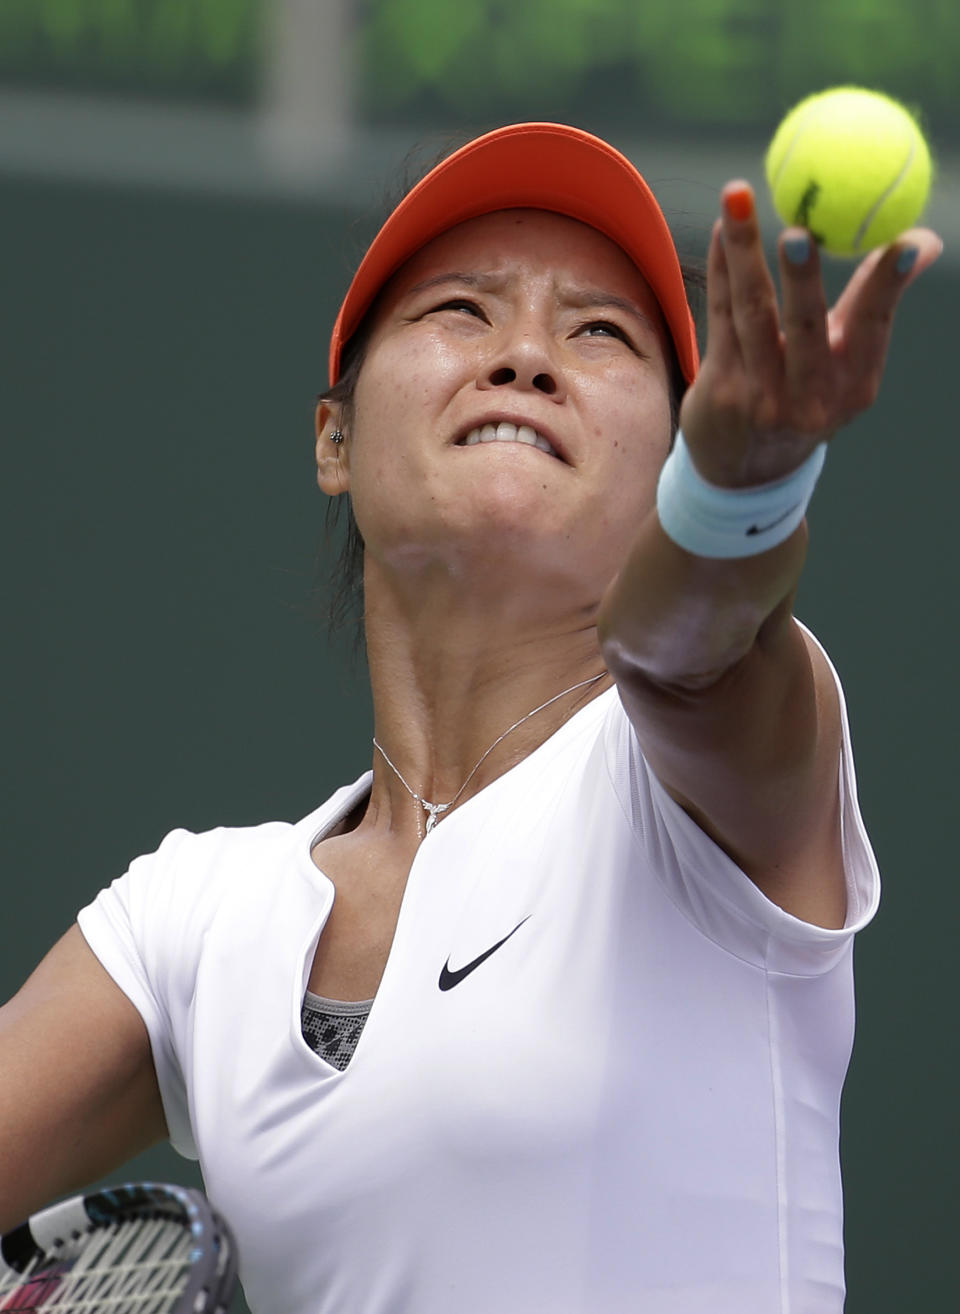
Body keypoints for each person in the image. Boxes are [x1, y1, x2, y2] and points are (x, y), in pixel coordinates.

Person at [0, 122, 942, 1313]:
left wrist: (740, 491)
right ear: (333, 440)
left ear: (671, 464)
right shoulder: (190, 924)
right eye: (461, 310)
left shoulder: (699, 772)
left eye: (600, 331)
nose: (529, 355)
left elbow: (687, 645)